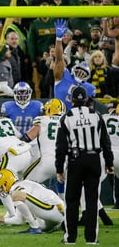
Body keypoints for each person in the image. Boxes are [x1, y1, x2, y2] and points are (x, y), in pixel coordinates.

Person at [55, 86, 114, 245]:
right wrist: (109, 163)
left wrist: (59, 169)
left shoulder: (66, 117)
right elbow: (105, 142)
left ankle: (70, 238)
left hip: (75, 160)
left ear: (71, 100)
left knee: (72, 200)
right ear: (87, 99)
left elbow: (61, 147)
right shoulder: (96, 115)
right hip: (94, 159)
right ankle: (91, 239)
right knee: (92, 200)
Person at [0, 169, 64, 234]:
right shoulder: (24, 184)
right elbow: (18, 220)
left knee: (16, 196)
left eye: (0, 186)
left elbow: (18, 198)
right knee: (44, 228)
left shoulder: (16, 191)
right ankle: (61, 224)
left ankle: (34, 227)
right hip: (58, 211)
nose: (0, 190)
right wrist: (2, 219)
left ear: (6, 183)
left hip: (53, 209)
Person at [20, 98, 66, 199]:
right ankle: (65, 207)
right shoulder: (68, 121)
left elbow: (27, 138)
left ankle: (17, 213)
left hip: (46, 163)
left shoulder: (43, 121)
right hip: (65, 163)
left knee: (23, 185)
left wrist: (16, 145)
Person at [53, 19, 96, 110]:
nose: (80, 74)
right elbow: (59, 58)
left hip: (77, 120)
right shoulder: (64, 75)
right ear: (73, 69)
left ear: (87, 76)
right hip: (58, 116)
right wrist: (59, 39)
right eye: (79, 71)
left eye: (83, 73)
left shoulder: (89, 88)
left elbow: (91, 108)